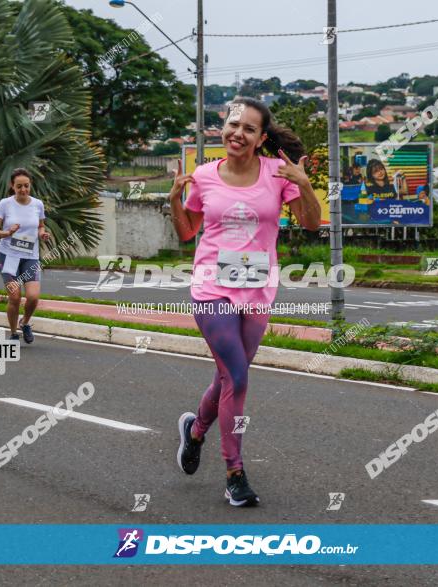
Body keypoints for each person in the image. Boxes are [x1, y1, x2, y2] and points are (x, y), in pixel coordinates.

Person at [169, 96, 321, 507]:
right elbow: (187, 233)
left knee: (226, 378)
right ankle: (235, 473)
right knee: (237, 376)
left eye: (249, 128)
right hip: (211, 287)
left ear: (260, 138)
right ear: (225, 128)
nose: (238, 133)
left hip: (257, 286)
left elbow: (310, 223)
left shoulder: (278, 173)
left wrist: (304, 185)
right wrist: (172, 201)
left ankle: (195, 431)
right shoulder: (203, 176)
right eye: (234, 124)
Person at [0, 168, 50, 342]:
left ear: (30, 185)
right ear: (12, 186)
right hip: (9, 255)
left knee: (33, 297)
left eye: (26, 186)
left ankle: (25, 323)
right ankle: (14, 333)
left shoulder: (37, 204)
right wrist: (7, 233)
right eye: (19, 186)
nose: (23, 190)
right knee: (14, 297)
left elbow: (40, 226)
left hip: (30, 256)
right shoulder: (5, 204)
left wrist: (42, 234)